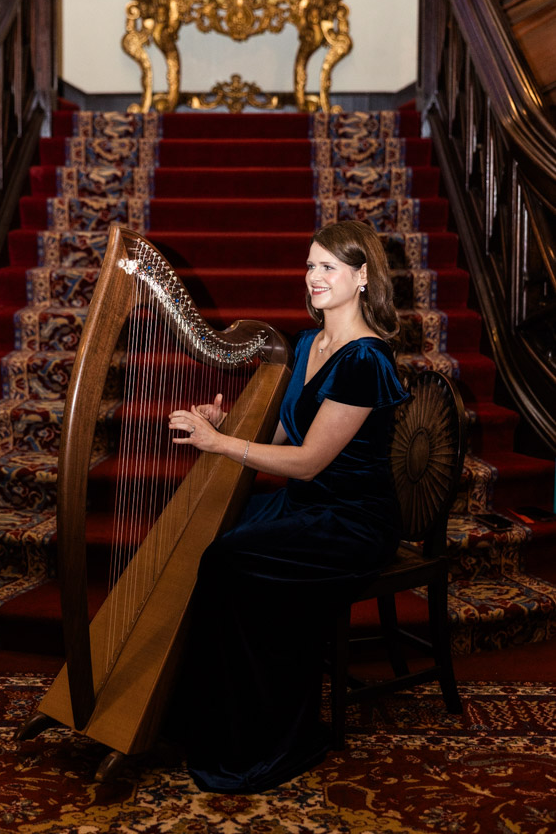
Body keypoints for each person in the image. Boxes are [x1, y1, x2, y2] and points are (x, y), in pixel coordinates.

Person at [167, 220, 408, 794]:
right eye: (310, 265)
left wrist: (218, 444)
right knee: (206, 546)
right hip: (306, 509)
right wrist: (227, 424)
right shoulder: (309, 343)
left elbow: (309, 463)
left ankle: (275, 733)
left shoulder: (365, 360)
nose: (315, 277)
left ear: (363, 276)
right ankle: (219, 718)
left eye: (329, 266)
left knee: (229, 558)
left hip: (352, 520)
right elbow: (283, 435)